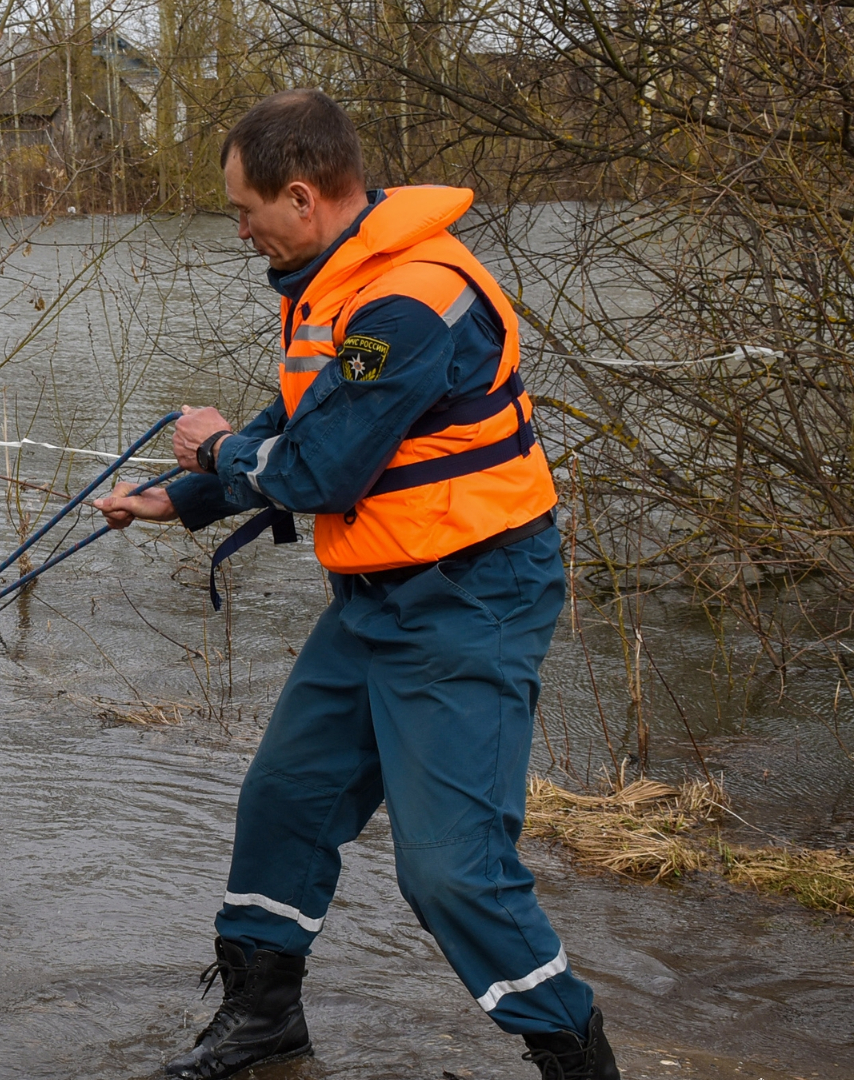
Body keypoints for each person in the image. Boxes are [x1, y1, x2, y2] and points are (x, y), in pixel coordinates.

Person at [93, 90, 617, 1080]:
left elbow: (318, 467)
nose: (238, 229)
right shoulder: (335, 280)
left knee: (449, 875)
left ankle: (575, 1057)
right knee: (283, 801)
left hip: (468, 600)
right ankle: (262, 1025)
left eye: (243, 209)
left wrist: (210, 454)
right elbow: (299, 420)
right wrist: (178, 496)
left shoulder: (410, 299)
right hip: (376, 597)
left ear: (300, 197)